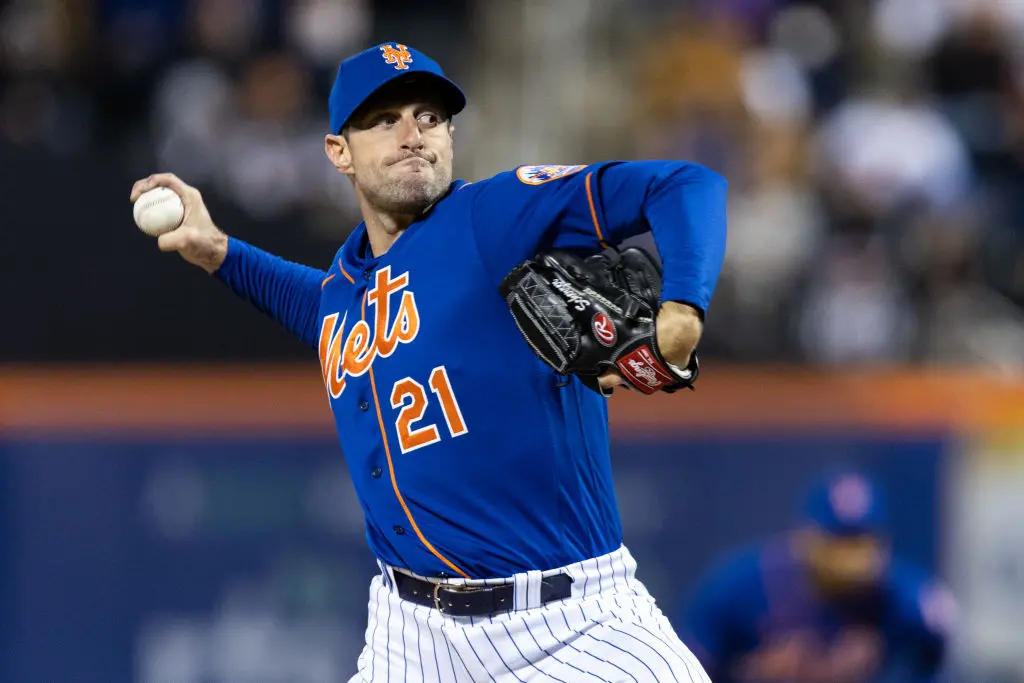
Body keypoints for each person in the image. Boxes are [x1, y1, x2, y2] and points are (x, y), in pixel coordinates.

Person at [130, 41, 727, 682]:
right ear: (339, 152)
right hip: (408, 637)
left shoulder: (490, 217)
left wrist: (683, 308)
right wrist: (219, 252)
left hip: (570, 626)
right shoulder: (347, 284)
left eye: (430, 117)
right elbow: (323, 311)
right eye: (384, 120)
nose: (413, 134)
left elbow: (686, 184)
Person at [674, 470, 957, 683]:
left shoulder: (897, 594)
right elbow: (685, 665)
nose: (849, 556)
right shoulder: (741, 586)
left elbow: (938, 634)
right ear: (805, 536)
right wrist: (748, 670)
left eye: (859, 542)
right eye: (837, 540)